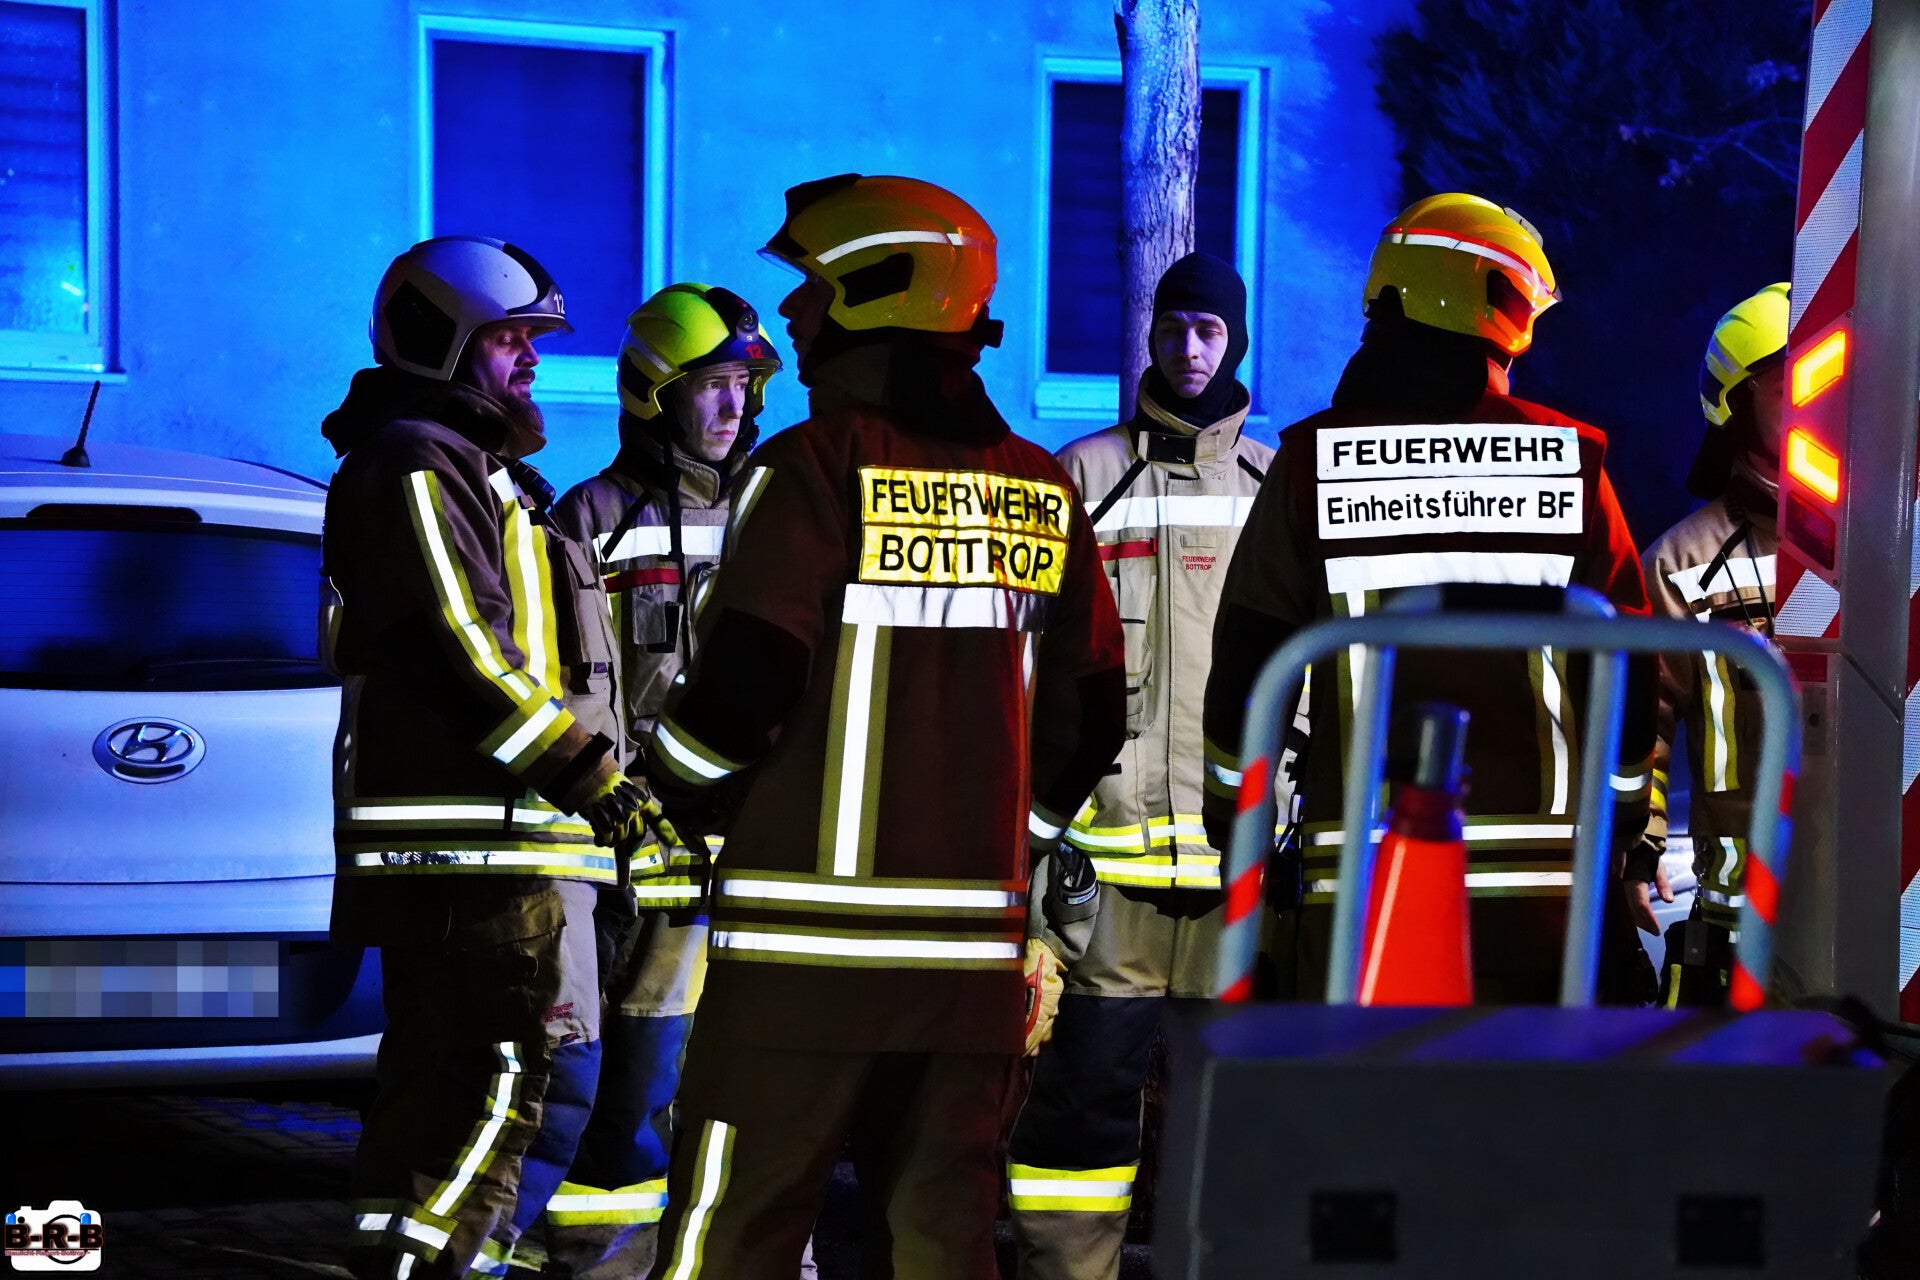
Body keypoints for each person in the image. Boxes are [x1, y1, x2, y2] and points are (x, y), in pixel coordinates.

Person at [640, 173, 1126, 1279]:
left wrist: (668, 794)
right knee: (942, 1243)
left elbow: (746, 682)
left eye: (810, 288)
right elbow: (1097, 707)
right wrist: (1020, 843)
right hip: (968, 973)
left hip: (799, 967)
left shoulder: (810, 468)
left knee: (734, 1234)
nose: (793, 313)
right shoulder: (1039, 488)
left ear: (874, 292)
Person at [1201, 194, 1654, 1003]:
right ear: (1497, 308)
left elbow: (1247, 667)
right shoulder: (1568, 461)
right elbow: (1630, 672)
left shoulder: (1311, 465)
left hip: (1360, 902)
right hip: (1550, 913)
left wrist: (1234, 823)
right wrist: (1621, 825)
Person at [321, 235, 672, 1280]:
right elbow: (463, 647)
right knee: (521, 1089)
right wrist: (594, 780)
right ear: (438, 339)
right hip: (486, 856)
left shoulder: (480, 470)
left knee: (450, 1105)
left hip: (507, 851)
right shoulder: (415, 462)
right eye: (508, 337)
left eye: (532, 339)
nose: (529, 358)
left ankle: (409, 1263)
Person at [1004, 251, 1274, 1280]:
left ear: (1235, 341)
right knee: (1079, 1111)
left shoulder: (1274, 486)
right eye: (1173, 327)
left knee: (1233, 1110)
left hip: (1237, 870)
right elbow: (1028, 661)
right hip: (1103, 872)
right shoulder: (1080, 475)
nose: (1189, 348)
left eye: (1209, 330)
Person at [542, 282, 783, 1277]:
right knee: (633, 1095)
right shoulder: (589, 519)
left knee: (758, 1098)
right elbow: (572, 697)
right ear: (653, 392)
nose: (732, 405)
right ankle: (605, 1265)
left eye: (743, 384)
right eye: (708, 384)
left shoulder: (780, 512)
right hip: (646, 864)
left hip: (763, 858)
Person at [1626, 283, 1788, 1003]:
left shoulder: (1898, 546)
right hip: (1741, 920)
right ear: (1735, 407)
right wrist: (1640, 847)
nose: (1823, 408)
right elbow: (1645, 721)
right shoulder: (1685, 562)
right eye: (1791, 387)